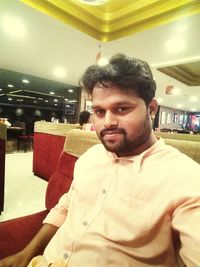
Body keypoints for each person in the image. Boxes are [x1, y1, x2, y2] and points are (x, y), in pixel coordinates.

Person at [1, 54, 200, 267]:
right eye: (99, 111)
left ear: (151, 109)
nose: (108, 122)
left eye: (122, 108)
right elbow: (67, 205)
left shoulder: (186, 178)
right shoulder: (90, 156)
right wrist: (25, 255)